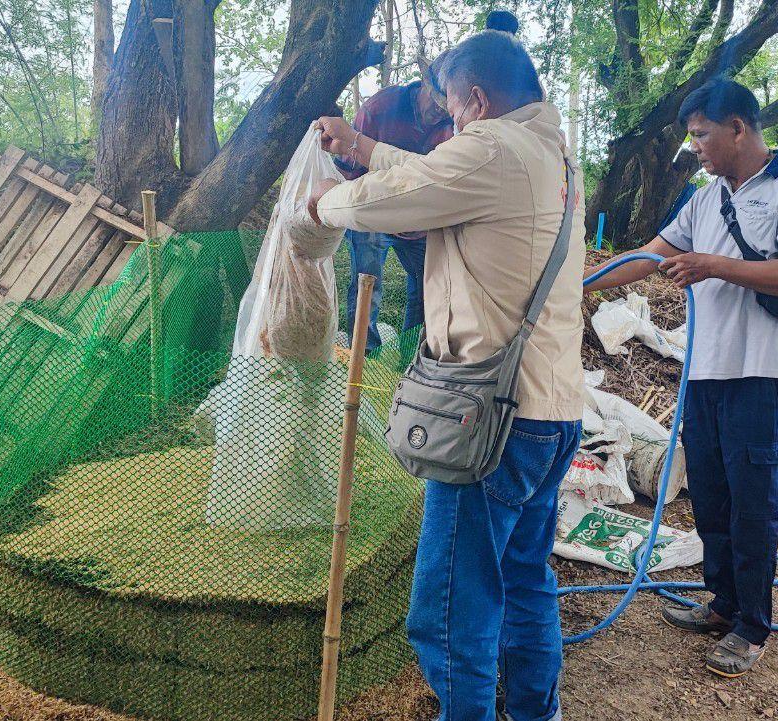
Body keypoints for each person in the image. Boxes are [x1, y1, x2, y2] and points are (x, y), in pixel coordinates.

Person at [308, 30, 585, 721]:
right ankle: (535, 711)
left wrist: (316, 208)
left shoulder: (491, 148)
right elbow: (439, 171)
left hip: (493, 421)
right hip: (553, 411)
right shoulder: (552, 153)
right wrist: (363, 148)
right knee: (523, 578)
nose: (451, 124)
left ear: (480, 101)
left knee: (449, 606)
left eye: (455, 111)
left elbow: (394, 197)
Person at [583, 78, 778, 678]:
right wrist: (581, 282)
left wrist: (714, 265)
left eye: (701, 135)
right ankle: (722, 604)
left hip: (759, 373)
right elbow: (651, 253)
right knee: (711, 494)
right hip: (706, 371)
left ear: (738, 127)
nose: (695, 147)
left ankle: (751, 627)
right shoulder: (707, 197)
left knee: (753, 503)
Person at [336, 66, 452, 354]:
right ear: (424, 85)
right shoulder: (381, 106)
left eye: (446, 107)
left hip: (416, 219)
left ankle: (411, 357)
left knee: (428, 285)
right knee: (367, 282)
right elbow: (351, 166)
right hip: (373, 210)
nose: (439, 112)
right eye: (436, 102)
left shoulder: (452, 125)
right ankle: (364, 358)